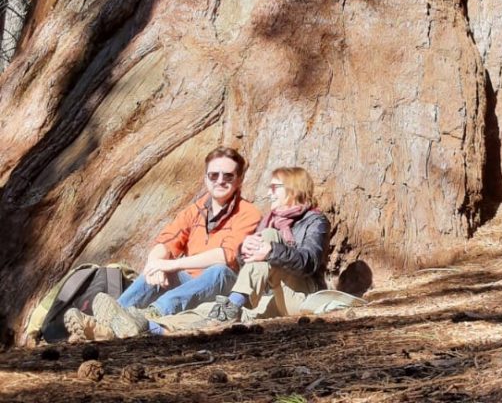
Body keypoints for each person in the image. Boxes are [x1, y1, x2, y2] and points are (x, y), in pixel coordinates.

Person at [65, 146, 261, 340]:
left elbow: (225, 256)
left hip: (225, 286)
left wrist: (169, 264)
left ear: (239, 179)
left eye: (228, 176)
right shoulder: (195, 210)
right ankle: (108, 320)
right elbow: (166, 242)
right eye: (213, 175)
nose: (220, 181)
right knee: (156, 268)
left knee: (218, 270)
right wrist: (155, 264)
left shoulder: (249, 213)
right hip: (190, 284)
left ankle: (149, 315)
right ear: (205, 178)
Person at [207, 165, 329, 322]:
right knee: (210, 312)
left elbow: (308, 262)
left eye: (274, 187)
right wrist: (243, 251)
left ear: (293, 189)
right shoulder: (269, 220)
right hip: (272, 298)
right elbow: (254, 269)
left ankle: (234, 302)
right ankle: (167, 326)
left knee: (269, 236)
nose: (268, 193)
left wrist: (271, 251)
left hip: (302, 298)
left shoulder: (315, 221)